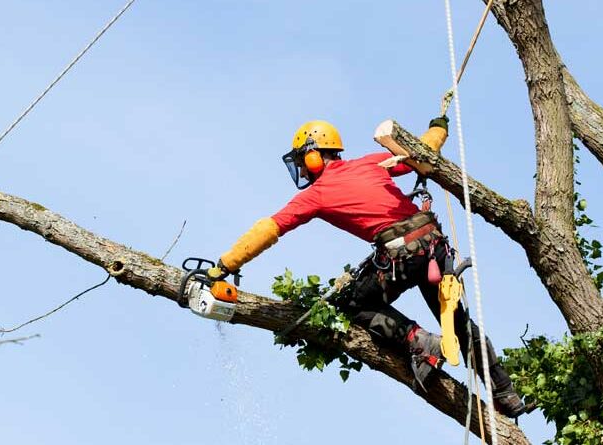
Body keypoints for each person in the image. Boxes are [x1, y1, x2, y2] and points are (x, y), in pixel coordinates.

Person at [207, 119, 526, 417]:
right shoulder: (371, 163)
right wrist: (438, 128)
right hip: (433, 247)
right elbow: (420, 151)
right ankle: (505, 392)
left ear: (314, 156)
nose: (303, 172)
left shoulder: (317, 195)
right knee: (458, 323)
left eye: (303, 162)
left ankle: (419, 341)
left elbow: (270, 228)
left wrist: (225, 264)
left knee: (353, 304)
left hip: (403, 256)